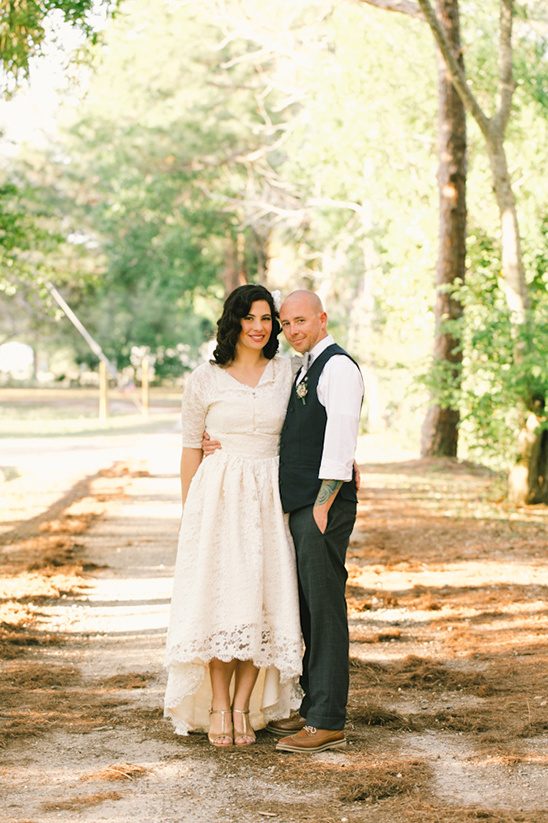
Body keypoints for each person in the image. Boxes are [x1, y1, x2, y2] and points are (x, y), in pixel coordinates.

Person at [204, 289, 363, 754]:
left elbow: (341, 437)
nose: (291, 330)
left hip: (321, 507)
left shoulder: (338, 367)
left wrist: (325, 499)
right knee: (309, 611)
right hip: (299, 505)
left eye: (299, 321)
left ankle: (328, 719)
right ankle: (313, 709)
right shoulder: (305, 366)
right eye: (285, 322)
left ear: (321, 319)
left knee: (326, 610)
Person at [163, 284, 302, 747]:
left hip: (268, 497)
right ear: (234, 322)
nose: (259, 327)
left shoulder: (287, 372)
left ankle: (244, 706)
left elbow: (312, 428)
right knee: (221, 603)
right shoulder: (205, 378)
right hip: (219, 497)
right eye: (250, 318)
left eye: (267, 319)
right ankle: (219, 705)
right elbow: (189, 449)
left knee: (262, 602)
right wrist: (191, 516)